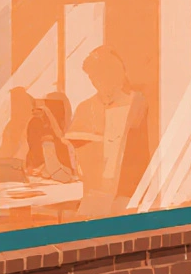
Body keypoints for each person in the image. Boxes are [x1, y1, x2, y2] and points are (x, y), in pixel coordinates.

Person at [64, 46, 150, 217]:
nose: (97, 84)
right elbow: (72, 153)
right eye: (93, 79)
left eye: (101, 78)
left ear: (118, 76)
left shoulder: (137, 104)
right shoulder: (86, 107)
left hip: (127, 192)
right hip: (94, 192)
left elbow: (141, 154)